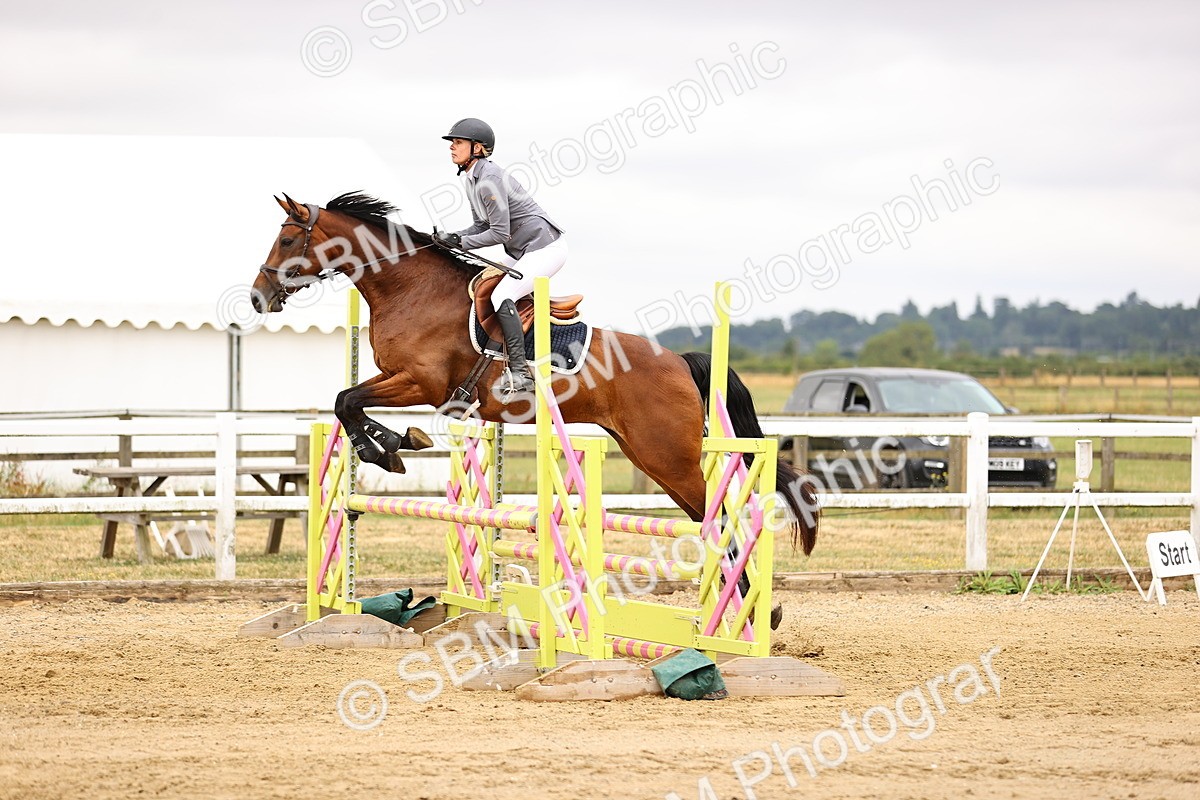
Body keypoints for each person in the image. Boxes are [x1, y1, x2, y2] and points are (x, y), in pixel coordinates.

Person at [432, 118, 566, 398]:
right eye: (452, 143)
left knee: (501, 295)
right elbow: (481, 227)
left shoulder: (489, 179)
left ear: (477, 148)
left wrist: (461, 242)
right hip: (525, 250)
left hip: (545, 249)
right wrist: (451, 238)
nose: (452, 148)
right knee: (482, 285)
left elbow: (499, 233)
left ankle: (519, 372)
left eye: (458, 142)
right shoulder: (472, 179)